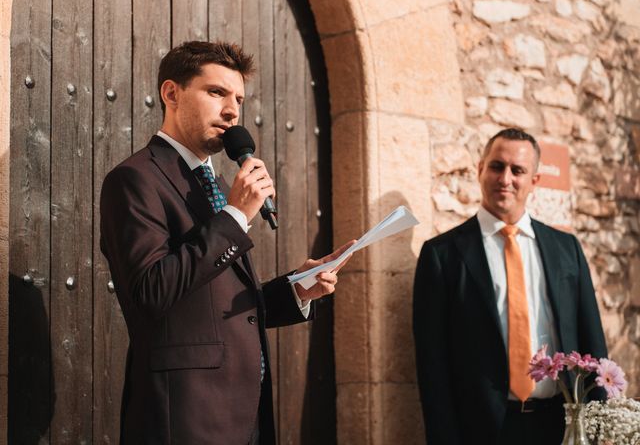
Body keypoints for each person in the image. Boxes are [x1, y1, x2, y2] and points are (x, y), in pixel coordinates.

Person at [100, 41, 353, 444]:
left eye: (238, 98)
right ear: (171, 93)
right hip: (183, 419)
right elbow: (152, 291)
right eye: (216, 92)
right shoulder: (135, 179)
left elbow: (213, 309)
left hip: (244, 417)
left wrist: (297, 290)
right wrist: (235, 217)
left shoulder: (216, 185)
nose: (233, 110)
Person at [412, 128, 607, 445]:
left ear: (535, 181)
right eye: (496, 166)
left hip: (562, 424)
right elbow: (432, 364)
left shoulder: (566, 249)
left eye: (517, 170)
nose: (505, 178)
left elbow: (592, 342)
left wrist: (600, 429)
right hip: (480, 429)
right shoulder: (441, 255)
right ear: (480, 170)